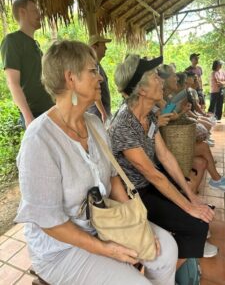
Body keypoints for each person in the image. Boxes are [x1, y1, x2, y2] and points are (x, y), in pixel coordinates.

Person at [15, 40, 178, 285]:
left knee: (167, 250)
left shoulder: (94, 124)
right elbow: (49, 222)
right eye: (93, 71)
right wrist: (107, 249)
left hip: (105, 225)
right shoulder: (39, 141)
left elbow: (113, 177)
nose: (101, 78)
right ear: (70, 78)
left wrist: (136, 225)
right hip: (61, 250)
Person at [109, 54, 215, 267]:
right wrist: (188, 206)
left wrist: (190, 197)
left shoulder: (147, 115)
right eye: (153, 76)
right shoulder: (123, 125)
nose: (160, 79)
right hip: (137, 193)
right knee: (197, 224)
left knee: (196, 208)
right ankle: (165, 274)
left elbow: (165, 156)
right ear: (141, 90)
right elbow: (153, 175)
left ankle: (181, 254)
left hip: (151, 182)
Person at [0, 0, 54, 129]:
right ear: (22, 12)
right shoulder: (12, 41)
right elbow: (13, 83)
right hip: (35, 115)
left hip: (50, 110)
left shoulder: (35, 45)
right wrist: (28, 117)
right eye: (35, 10)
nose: (39, 14)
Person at [87, 34, 112, 123]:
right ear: (94, 47)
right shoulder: (92, 65)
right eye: (103, 45)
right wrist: (103, 112)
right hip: (97, 114)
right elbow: (93, 89)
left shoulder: (97, 65)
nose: (106, 48)